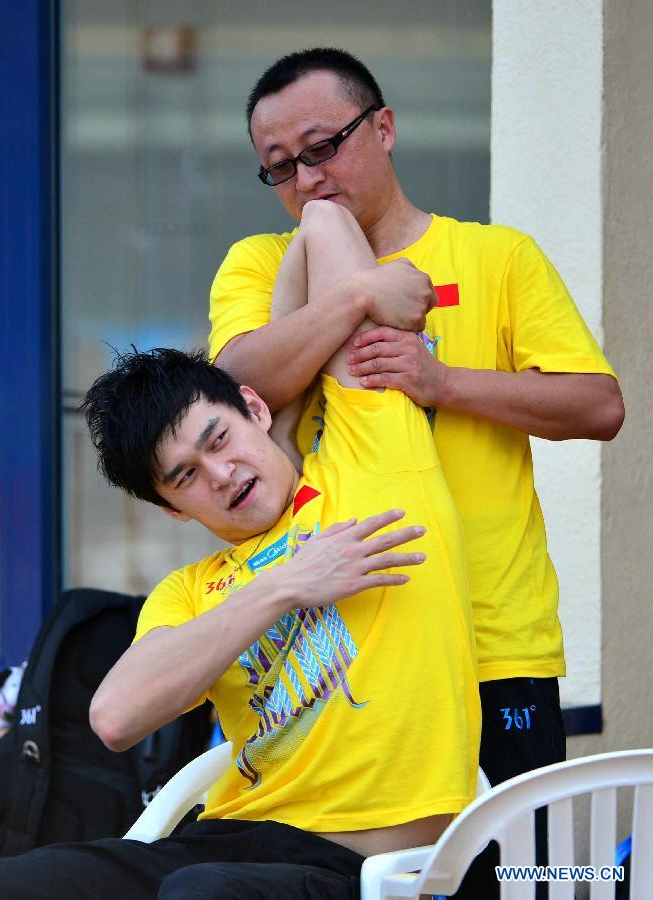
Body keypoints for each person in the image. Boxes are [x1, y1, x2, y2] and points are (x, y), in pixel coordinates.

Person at [0, 201, 480, 899]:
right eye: (185, 475)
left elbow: (324, 222)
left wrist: (361, 294)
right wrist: (285, 584)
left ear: (254, 406)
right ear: (170, 509)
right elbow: (115, 717)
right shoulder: (190, 592)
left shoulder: (373, 461)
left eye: (217, 439)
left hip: (359, 863)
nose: (219, 474)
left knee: (202, 893)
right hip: (222, 838)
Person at [210, 47, 624, 822]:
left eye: (323, 147)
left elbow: (597, 406)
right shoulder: (261, 262)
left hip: (493, 638)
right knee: (357, 875)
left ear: (385, 127)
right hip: (338, 643)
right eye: (280, 166)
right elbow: (243, 385)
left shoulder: (494, 255)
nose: (306, 181)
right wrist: (362, 291)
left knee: (513, 875)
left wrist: (440, 384)